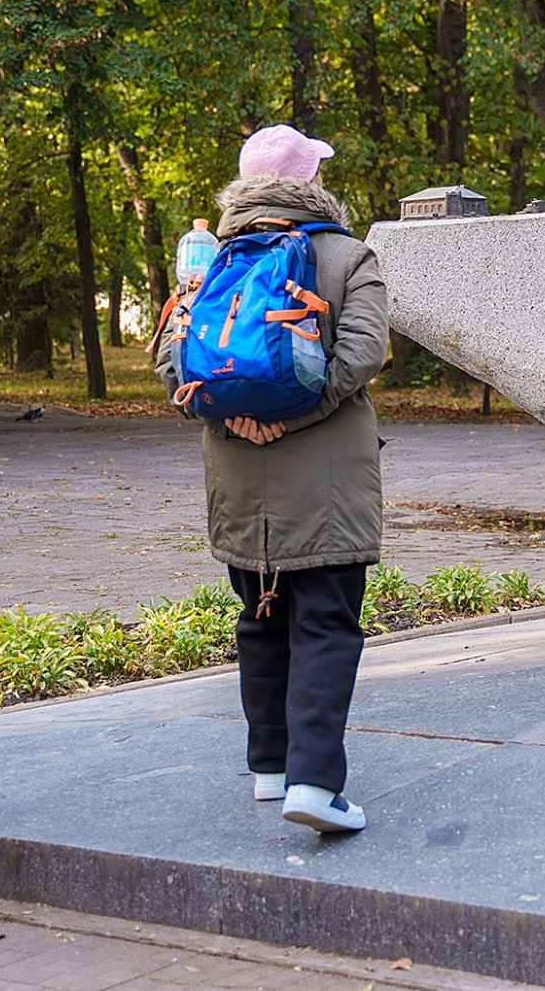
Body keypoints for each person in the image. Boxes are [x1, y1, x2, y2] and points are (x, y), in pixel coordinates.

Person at [156, 125, 389, 833]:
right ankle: (316, 785)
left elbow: (176, 368)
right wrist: (291, 419)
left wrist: (242, 424)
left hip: (237, 480)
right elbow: (362, 355)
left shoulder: (206, 266)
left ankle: (270, 768)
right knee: (324, 622)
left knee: (259, 620)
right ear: (312, 182)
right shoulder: (349, 257)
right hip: (326, 481)